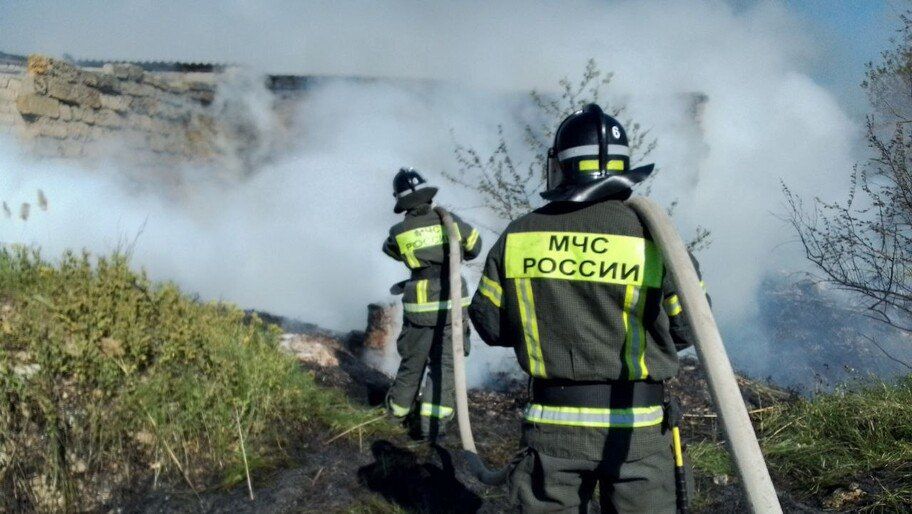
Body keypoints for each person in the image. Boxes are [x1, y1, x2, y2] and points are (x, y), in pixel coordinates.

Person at [468, 104, 704, 513]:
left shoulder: (520, 234)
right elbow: (690, 328)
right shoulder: (655, 237)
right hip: (638, 431)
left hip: (552, 429)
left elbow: (491, 325)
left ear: (561, 166)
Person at [383, 167, 482, 440]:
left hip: (419, 306)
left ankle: (396, 414)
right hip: (452, 305)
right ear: (428, 195)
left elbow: (390, 249)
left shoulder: (399, 231)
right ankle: (432, 425)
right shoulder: (451, 222)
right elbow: (475, 247)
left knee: (412, 361)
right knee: (446, 365)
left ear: (401, 201)